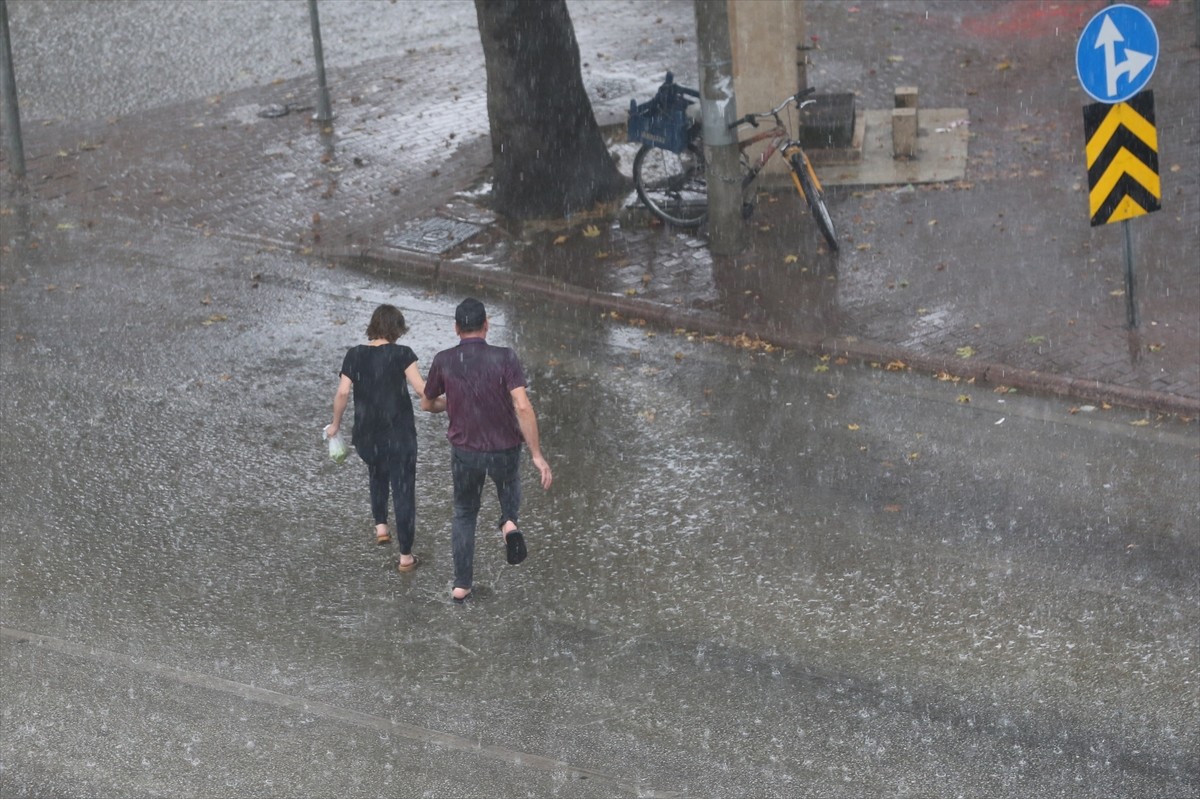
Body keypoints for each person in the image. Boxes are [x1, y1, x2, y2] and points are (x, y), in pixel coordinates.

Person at [421, 298, 552, 602]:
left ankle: (461, 584)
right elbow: (522, 405)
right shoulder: (505, 357)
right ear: (486, 325)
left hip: (465, 451)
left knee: (465, 513)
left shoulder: (444, 360)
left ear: (456, 328)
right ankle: (508, 523)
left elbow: (428, 404)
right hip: (504, 448)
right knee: (509, 489)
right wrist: (537, 455)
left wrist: (450, 403)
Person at [327, 304, 444, 573]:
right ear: (396, 329)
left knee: (377, 472)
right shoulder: (402, 354)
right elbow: (421, 390)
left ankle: (381, 525)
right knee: (403, 491)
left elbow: (343, 393)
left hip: (367, 436)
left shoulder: (354, 355)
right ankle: (405, 556)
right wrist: (450, 400)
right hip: (399, 435)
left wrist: (335, 424)